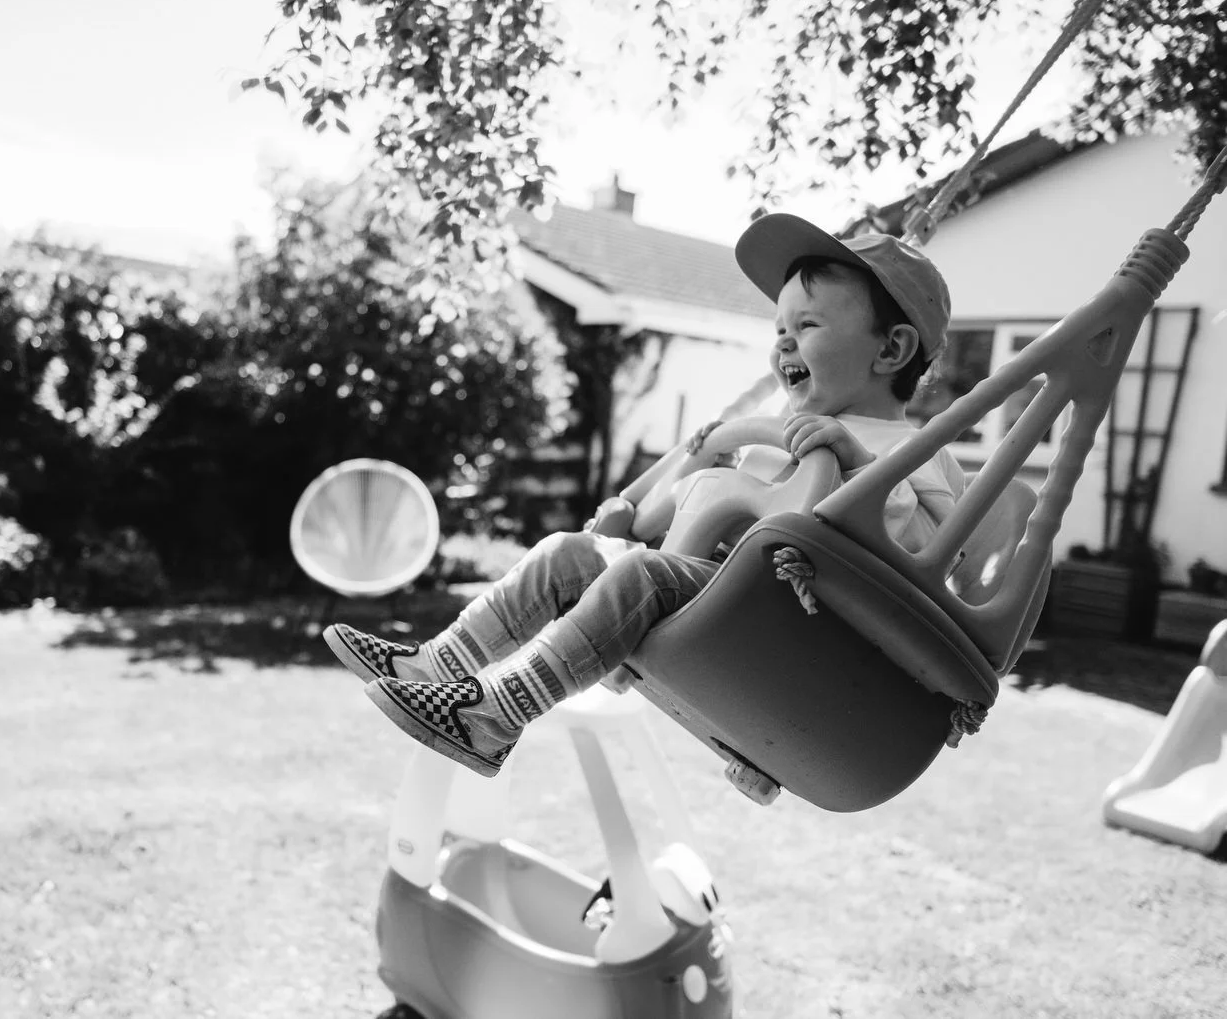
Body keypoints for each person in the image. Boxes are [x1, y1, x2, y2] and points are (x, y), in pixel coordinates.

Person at [324, 214, 967, 777]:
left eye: (809, 323)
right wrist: (645, 514)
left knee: (642, 576)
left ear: (893, 349)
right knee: (567, 553)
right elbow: (718, 505)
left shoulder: (912, 451)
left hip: (794, 631)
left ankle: (496, 716)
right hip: (718, 590)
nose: (784, 341)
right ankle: (436, 664)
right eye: (779, 326)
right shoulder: (775, 430)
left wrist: (857, 468)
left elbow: (920, 560)